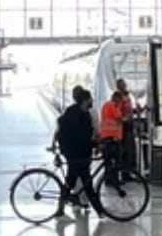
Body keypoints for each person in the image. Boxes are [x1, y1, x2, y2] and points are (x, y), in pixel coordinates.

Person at [54, 86, 105, 220]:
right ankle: (60, 211)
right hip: (75, 153)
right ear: (85, 100)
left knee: (82, 181)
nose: (92, 101)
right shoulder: (77, 115)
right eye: (90, 99)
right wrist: (96, 144)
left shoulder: (81, 113)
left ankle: (100, 211)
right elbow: (80, 137)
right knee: (80, 181)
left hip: (79, 153)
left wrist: (95, 143)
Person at [99, 84, 126, 186]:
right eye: (120, 100)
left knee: (108, 161)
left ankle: (108, 180)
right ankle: (114, 180)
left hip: (105, 137)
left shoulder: (105, 105)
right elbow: (119, 119)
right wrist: (126, 119)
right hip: (113, 138)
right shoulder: (113, 105)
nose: (121, 103)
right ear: (117, 98)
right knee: (115, 161)